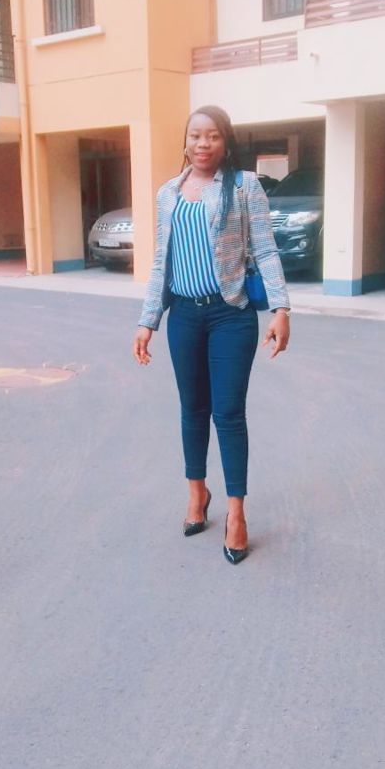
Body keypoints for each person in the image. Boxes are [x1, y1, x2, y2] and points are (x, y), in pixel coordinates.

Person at [132, 105, 290, 565]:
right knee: (192, 409)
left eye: (213, 136)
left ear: (225, 142)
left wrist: (281, 308)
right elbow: (161, 262)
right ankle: (196, 492)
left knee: (229, 413)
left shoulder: (243, 187)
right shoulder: (168, 193)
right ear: (185, 141)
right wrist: (148, 320)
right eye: (196, 135)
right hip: (183, 315)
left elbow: (266, 249)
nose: (203, 143)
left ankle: (236, 512)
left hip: (230, 315)